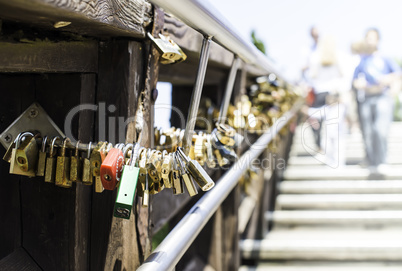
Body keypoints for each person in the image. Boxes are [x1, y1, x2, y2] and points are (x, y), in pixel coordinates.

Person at [352, 28, 401, 173]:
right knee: (367, 131)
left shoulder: (385, 58)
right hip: (367, 98)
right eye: (367, 37)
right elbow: (354, 80)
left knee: (380, 129)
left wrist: (388, 81)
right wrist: (358, 84)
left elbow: (398, 74)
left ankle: (382, 160)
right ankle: (371, 161)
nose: (369, 40)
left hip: (382, 97)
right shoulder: (362, 60)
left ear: (378, 40)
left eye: (372, 37)